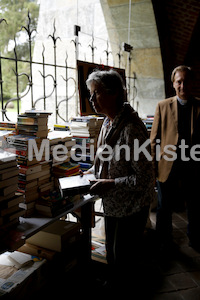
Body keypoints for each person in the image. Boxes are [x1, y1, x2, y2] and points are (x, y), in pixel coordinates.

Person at [84, 69, 155, 292]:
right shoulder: (108, 122)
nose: (92, 99)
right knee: (112, 255)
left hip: (131, 208)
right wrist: (91, 173)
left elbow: (145, 179)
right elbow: (104, 158)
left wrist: (112, 183)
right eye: (90, 94)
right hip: (113, 205)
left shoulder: (132, 128)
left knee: (124, 260)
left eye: (96, 93)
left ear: (113, 93)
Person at [150, 65, 200, 252]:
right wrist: (153, 167)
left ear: (192, 83)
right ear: (173, 84)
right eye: (179, 81)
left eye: (186, 81)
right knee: (164, 206)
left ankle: (195, 238)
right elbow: (154, 139)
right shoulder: (163, 106)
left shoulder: (199, 106)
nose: (182, 85)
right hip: (167, 165)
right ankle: (164, 240)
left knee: (194, 205)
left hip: (193, 165)